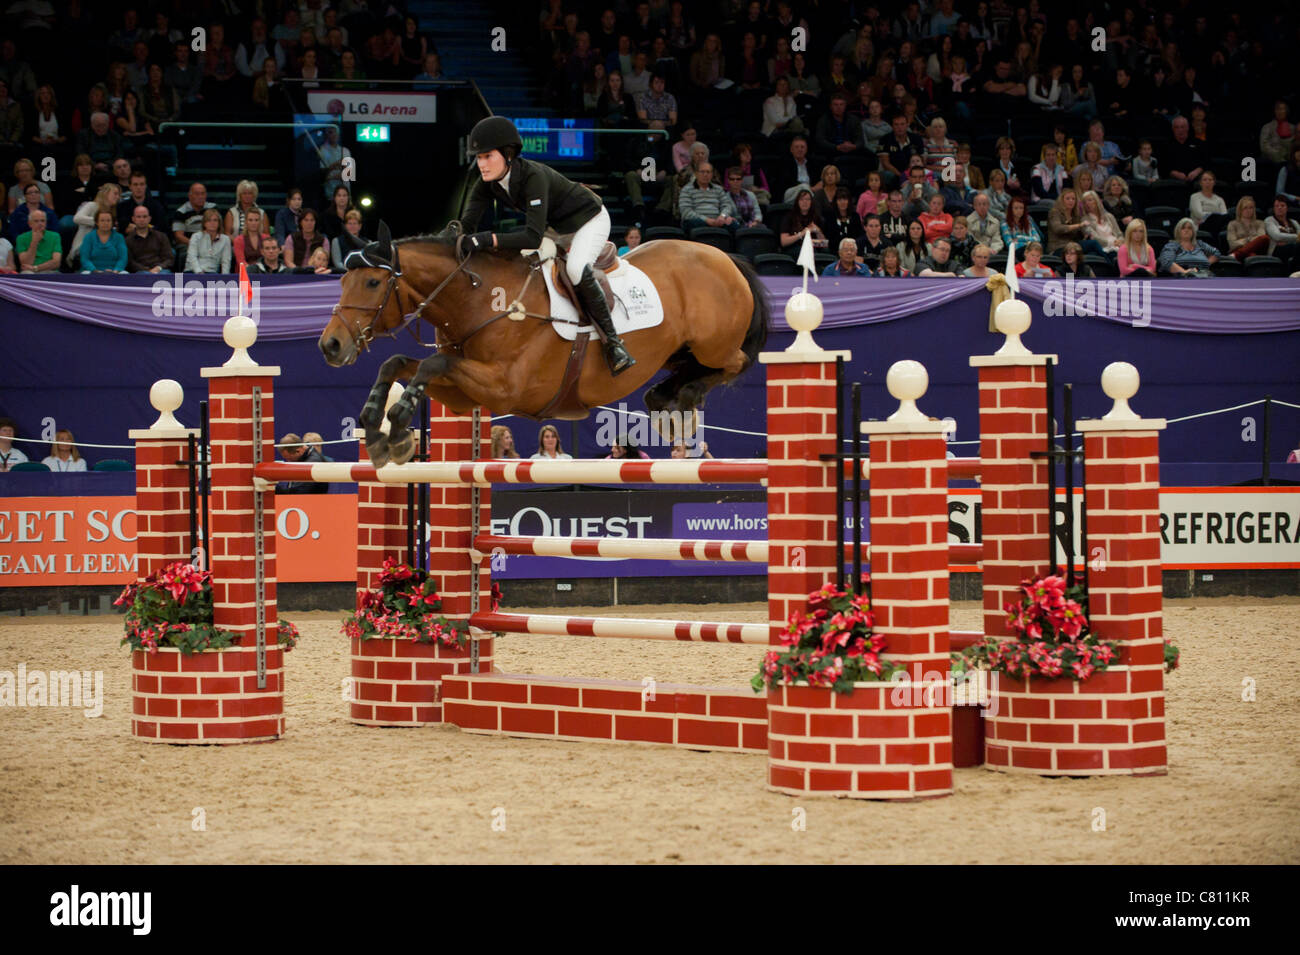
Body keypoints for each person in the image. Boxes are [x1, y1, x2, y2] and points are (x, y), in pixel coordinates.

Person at [459, 116, 633, 375]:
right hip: (556, 228)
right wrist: (450, 239)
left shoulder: (533, 176)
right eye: (479, 158)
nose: (481, 164)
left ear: (507, 154)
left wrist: (487, 240)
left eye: (487, 156)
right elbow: (467, 224)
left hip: (588, 220)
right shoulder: (487, 183)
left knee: (574, 269)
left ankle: (614, 344)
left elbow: (531, 236)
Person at [125, 205, 173, 273]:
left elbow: (169, 259)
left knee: (166, 274)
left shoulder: (161, 236)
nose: (142, 219)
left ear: (149, 219)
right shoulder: (128, 240)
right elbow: (130, 262)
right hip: (141, 272)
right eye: (138, 217)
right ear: (133, 219)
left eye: (145, 216)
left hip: (161, 270)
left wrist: (158, 268)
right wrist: (147, 270)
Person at [779, 186, 826, 250]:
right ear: (797, 202)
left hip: (812, 248)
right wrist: (802, 234)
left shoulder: (816, 217)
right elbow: (784, 242)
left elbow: (824, 244)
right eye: (801, 199)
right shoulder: (789, 217)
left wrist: (817, 231)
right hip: (794, 248)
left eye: (807, 199)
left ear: (811, 202)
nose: (805, 202)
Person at [186, 208, 232, 273]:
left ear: (219, 223)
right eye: (209, 220)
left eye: (215, 220)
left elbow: (226, 261)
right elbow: (192, 256)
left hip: (211, 272)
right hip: (192, 271)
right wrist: (199, 272)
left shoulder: (225, 239)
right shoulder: (196, 236)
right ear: (204, 223)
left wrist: (225, 278)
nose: (212, 223)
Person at [1079, 190, 1122, 256]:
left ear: (1096, 201)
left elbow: (1119, 234)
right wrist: (1111, 243)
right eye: (1084, 202)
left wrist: (1120, 241)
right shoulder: (1084, 220)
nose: (1087, 204)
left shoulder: (1109, 216)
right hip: (1104, 248)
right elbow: (1094, 238)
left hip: (1118, 244)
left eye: (1090, 200)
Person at [1264, 196, 1300, 264]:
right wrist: (1296, 237)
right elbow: (1277, 236)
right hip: (1276, 250)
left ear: (1287, 208)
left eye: (1282, 205)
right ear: (1273, 209)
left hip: (1293, 248)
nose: (1279, 208)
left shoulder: (1294, 222)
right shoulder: (1269, 220)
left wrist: (1286, 240)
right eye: (1276, 206)